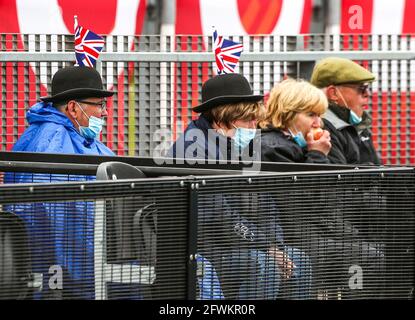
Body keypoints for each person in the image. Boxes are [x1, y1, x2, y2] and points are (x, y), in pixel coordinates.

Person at [168, 73, 311, 299]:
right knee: (263, 264)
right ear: (223, 117)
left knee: (299, 259)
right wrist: (268, 248)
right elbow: (219, 215)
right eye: (248, 121)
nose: (254, 127)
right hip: (204, 249)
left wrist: (277, 245)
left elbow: (265, 204)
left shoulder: (238, 146)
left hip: (243, 245)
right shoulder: (193, 150)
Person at [4, 66, 114, 299]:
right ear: (74, 108)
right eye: (98, 104)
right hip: (67, 274)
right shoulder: (52, 142)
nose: (104, 113)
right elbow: (61, 223)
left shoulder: (65, 137)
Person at [310, 57, 382, 165]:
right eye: (362, 88)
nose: (367, 94)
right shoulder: (323, 129)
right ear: (333, 93)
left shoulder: (357, 123)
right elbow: (341, 178)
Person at [259, 78, 331, 163]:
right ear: (287, 115)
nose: (318, 123)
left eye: (319, 115)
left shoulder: (299, 144)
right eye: (311, 115)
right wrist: (318, 154)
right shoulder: (273, 149)